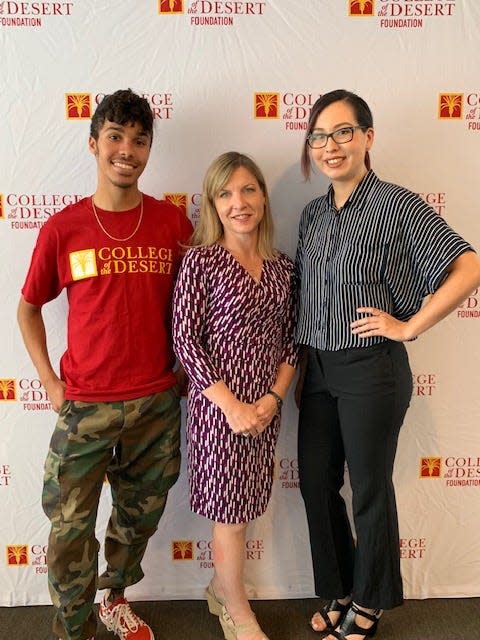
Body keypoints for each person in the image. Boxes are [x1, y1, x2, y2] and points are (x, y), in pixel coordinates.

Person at [295, 89, 480, 640]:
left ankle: (371, 602)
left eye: (343, 132)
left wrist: (410, 326)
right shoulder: (311, 214)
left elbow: (467, 266)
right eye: (320, 136)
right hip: (318, 368)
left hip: (372, 367)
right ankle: (341, 588)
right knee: (314, 482)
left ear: (367, 138)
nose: (331, 146)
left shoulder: (396, 205)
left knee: (370, 488)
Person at [17, 89, 193, 640]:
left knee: (138, 515)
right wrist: (49, 379)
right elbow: (28, 307)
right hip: (85, 405)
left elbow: (198, 300)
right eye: (115, 137)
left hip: (156, 402)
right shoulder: (63, 229)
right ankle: (73, 626)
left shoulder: (173, 224)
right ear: (94, 143)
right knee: (70, 528)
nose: (127, 150)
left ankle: (114, 597)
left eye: (140, 140)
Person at [172, 152, 297, 640]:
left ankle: (220, 587)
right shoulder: (200, 261)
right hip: (217, 411)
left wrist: (272, 399)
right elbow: (185, 339)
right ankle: (235, 607)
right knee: (230, 514)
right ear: (211, 204)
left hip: (265, 412)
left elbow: (291, 341)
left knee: (246, 506)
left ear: (263, 196)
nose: (238, 203)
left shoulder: (283, 268)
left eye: (247, 190)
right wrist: (234, 407)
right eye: (224, 194)